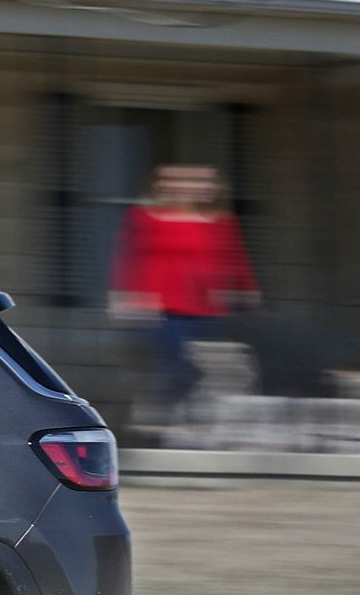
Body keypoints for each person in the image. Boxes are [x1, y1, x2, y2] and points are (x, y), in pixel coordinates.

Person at [110, 163, 258, 428]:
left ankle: (180, 418)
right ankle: (163, 419)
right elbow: (128, 257)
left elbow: (236, 260)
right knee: (176, 366)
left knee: (212, 369)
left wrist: (249, 293)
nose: (196, 189)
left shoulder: (221, 222)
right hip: (164, 308)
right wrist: (126, 294)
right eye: (182, 183)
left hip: (208, 309)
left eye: (203, 183)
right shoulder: (145, 217)